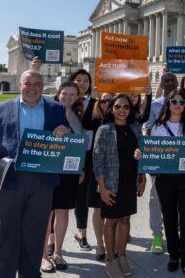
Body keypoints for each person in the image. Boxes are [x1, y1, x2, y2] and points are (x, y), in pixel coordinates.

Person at [0, 69, 70, 278]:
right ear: (20, 85)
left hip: (43, 181)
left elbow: (67, 139)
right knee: (6, 232)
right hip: (10, 179)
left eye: (37, 84)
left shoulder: (56, 109)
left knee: (34, 234)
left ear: (43, 87)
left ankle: (30, 274)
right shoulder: (2, 108)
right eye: (28, 83)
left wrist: (66, 133)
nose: (32, 88)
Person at [138, 88, 185, 278]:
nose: (178, 105)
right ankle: (173, 256)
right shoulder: (158, 127)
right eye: (174, 101)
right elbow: (150, 151)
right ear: (168, 104)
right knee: (169, 219)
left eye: (182, 102)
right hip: (165, 180)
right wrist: (141, 155)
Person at [93, 94, 148, 278]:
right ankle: (110, 259)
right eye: (118, 106)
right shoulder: (104, 129)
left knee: (125, 219)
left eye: (126, 107)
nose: (122, 110)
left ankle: (122, 255)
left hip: (130, 181)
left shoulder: (136, 128)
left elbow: (142, 154)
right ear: (111, 109)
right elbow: (97, 160)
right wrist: (102, 187)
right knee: (111, 221)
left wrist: (142, 178)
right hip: (111, 182)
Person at [41, 82, 86, 272]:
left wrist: (82, 168)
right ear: (58, 94)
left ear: (77, 96)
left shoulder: (78, 116)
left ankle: (58, 252)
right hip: (49, 167)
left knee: (63, 211)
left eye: (72, 94)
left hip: (69, 169)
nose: (68, 97)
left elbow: (81, 143)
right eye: (65, 93)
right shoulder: (48, 111)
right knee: (46, 212)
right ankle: (43, 256)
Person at [144, 72, 178, 253]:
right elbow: (148, 129)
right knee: (155, 199)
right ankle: (157, 235)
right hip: (160, 160)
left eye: (173, 80)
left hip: (179, 161)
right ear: (162, 83)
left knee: (178, 199)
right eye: (167, 80)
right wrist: (150, 160)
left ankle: (175, 234)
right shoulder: (155, 105)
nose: (170, 83)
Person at [81, 89, 113, 260]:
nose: (107, 103)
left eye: (110, 100)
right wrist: (93, 98)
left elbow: (142, 117)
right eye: (103, 101)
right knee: (98, 208)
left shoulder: (120, 118)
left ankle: (111, 242)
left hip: (115, 168)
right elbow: (85, 122)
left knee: (113, 207)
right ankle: (100, 244)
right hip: (97, 168)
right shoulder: (95, 120)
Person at [68, 69, 95, 253]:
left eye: (86, 80)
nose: (82, 83)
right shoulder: (65, 102)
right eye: (78, 80)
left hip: (89, 153)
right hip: (69, 152)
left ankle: (81, 233)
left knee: (82, 198)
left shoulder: (92, 102)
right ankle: (51, 238)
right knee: (59, 199)